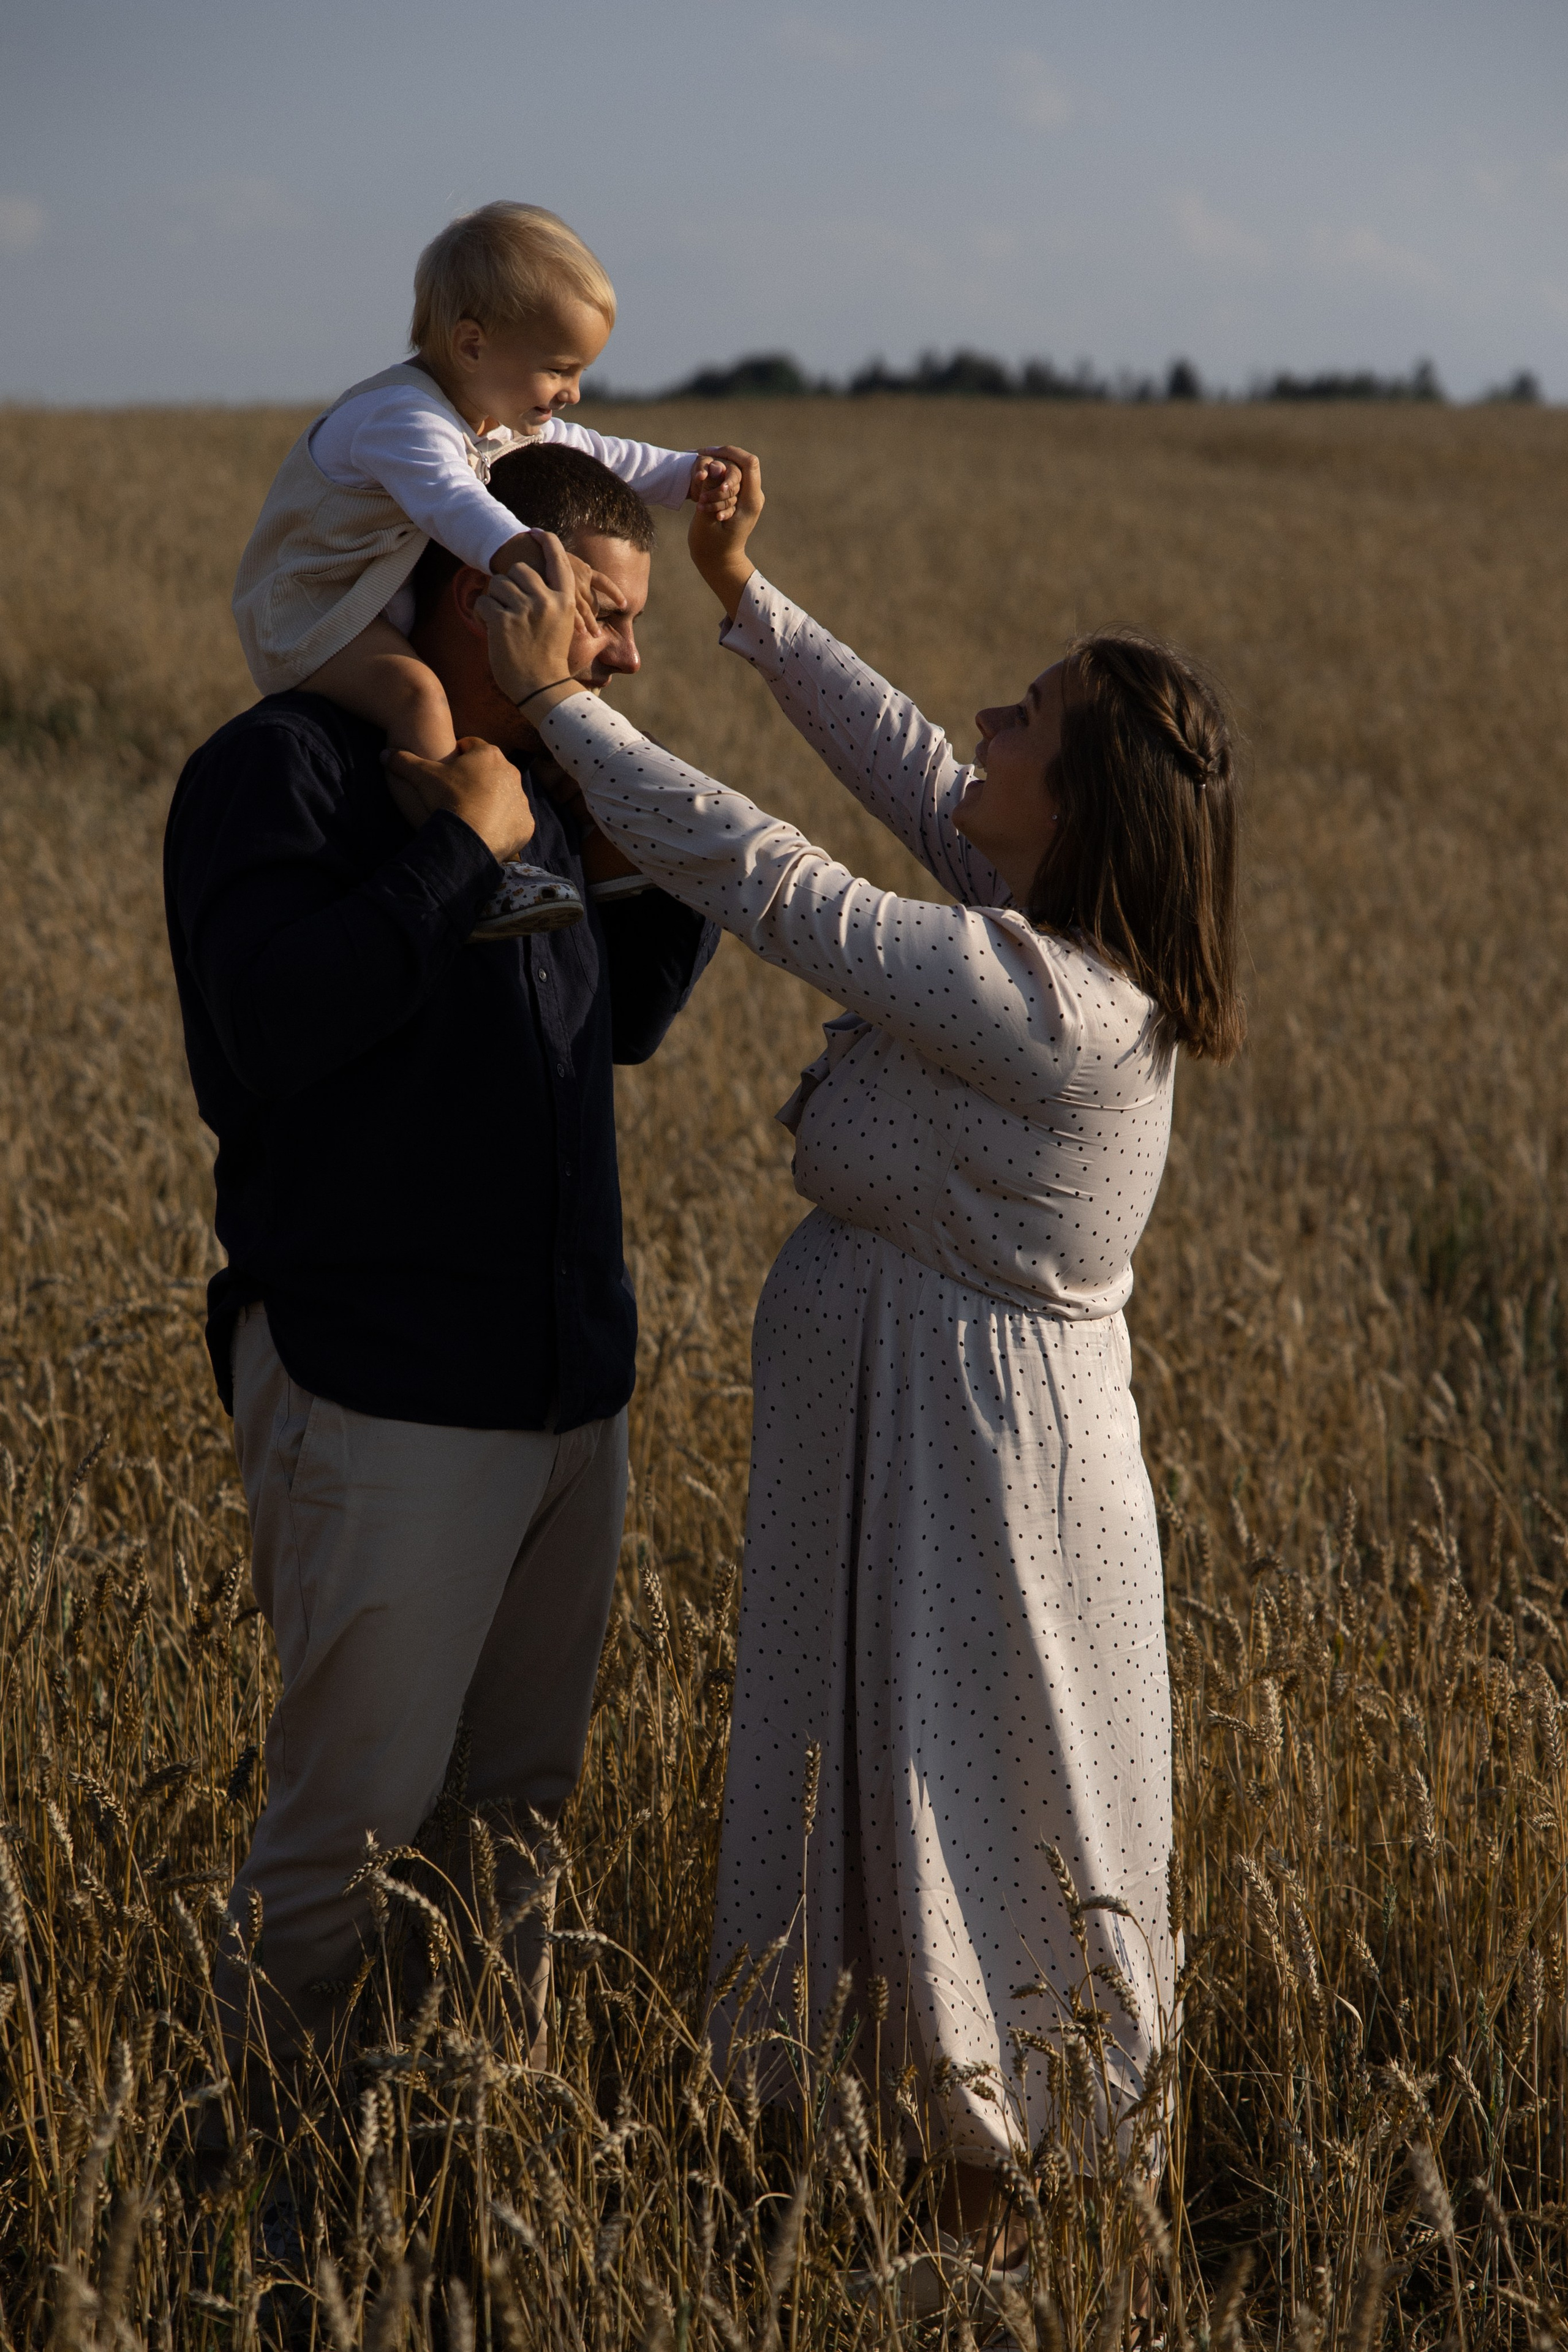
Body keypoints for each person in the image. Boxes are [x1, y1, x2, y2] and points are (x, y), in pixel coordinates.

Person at [394, 458, 1243, 2274]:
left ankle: (1000, 2252)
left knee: (978, 1832)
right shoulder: (1047, 928)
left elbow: (775, 883)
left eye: (1033, 714)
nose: (987, 722)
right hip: (911, 1452)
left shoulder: (1055, 1006)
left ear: (1083, 800)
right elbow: (907, 767)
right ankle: (919, 2232)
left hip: (984, 1488)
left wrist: (548, 700)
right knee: (890, 1806)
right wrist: (746, 598)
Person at [166, 445, 718, 2141]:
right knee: (346, 1840)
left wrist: (614, 840)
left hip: (566, 1393)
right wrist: (458, 852)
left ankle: (464, 2173)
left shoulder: (544, 771)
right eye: (607, 617)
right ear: (504, 590)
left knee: (518, 1820)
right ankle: (252, 2206)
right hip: (386, 1389)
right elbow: (257, 1041)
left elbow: (614, 1017)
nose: (628, 655)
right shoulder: (284, 773)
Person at [233, 200, 739, 937]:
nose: (570, 391)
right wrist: (522, 551)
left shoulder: (492, 416)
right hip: (313, 610)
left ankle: (602, 859)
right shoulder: (401, 418)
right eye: (559, 369)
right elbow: (447, 500)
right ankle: (475, 862)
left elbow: (602, 453)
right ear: (472, 344)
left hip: (373, 598)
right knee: (418, 698)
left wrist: (689, 475)